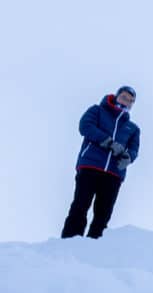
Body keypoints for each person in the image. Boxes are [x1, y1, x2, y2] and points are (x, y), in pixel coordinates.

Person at [61, 86, 141, 239]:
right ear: (116, 96)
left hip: (114, 173)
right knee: (80, 206)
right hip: (90, 166)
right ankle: (69, 243)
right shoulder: (97, 111)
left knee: (103, 214)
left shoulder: (133, 128)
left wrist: (128, 158)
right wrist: (108, 142)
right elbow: (85, 126)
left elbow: (134, 149)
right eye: (124, 97)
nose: (127, 102)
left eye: (131, 101)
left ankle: (94, 247)